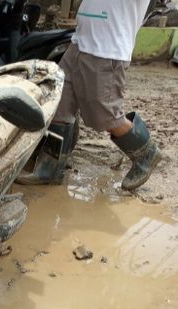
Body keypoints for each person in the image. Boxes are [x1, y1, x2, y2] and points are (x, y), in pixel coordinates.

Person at [17, 0, 162, 189]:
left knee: (105, 116)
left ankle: (146, 154)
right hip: (80, 43)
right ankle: (50, 169)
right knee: (58, 104)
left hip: (107, 50)